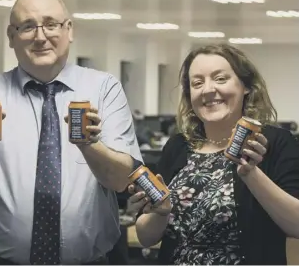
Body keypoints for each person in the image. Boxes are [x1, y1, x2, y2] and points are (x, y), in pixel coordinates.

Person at [0, 0, 143, 265]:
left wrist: (90, 146)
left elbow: (121, 181)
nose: (40, 37)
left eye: (51, 24)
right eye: (27, 26)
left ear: (69, 30)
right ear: (11, 37)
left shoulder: (103, 89)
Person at [128, 43, 299, 265]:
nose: (208, 89)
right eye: (197, 83)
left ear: (245, 86)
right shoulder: (178, 146)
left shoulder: (275, 143)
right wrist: (161, 213)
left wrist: (251, 175)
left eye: (220, 79)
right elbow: (146, 237)